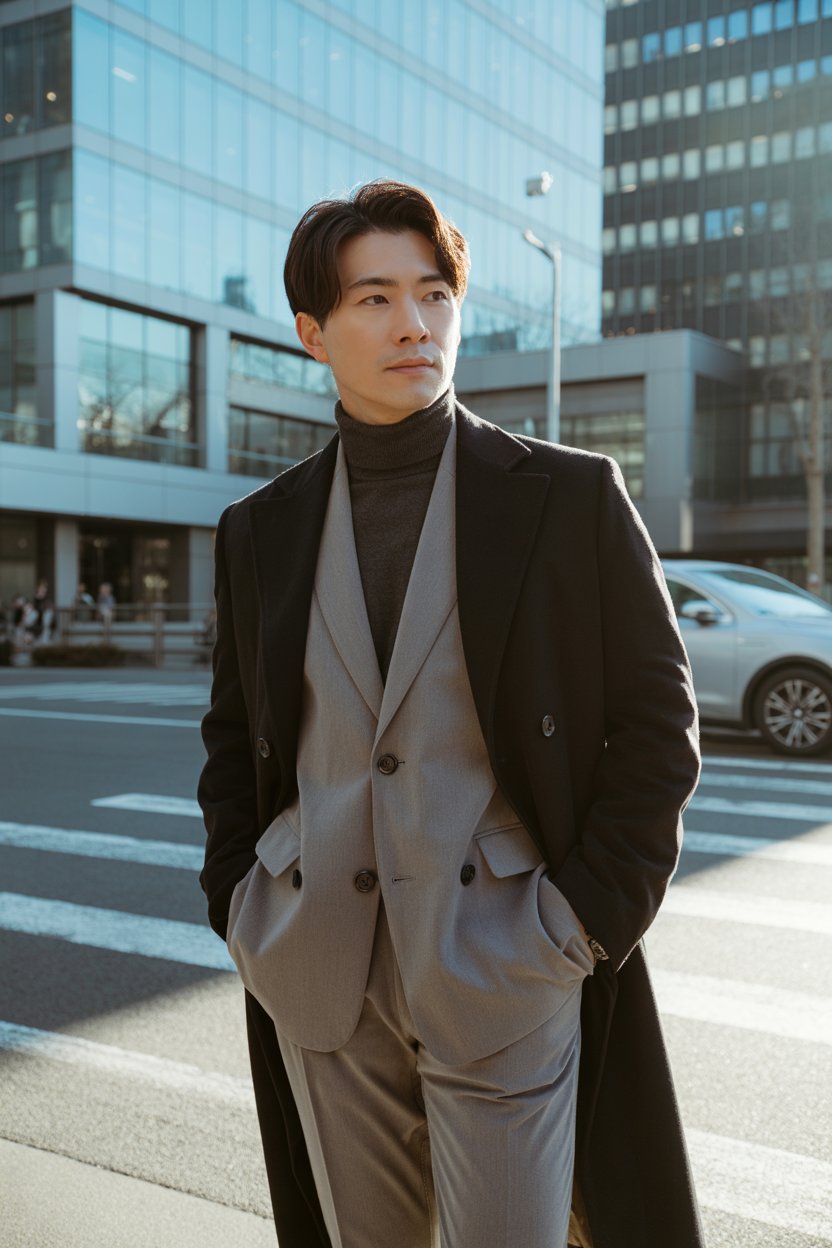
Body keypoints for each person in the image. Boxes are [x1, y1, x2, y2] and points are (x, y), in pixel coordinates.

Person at [198, 181, 703, 1248]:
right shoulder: (258, 529)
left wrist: (580, 925)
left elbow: (657, 728)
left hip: (505, 959)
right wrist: (241, 908)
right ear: (312, 334)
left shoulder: (567, 497)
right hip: (316, 964)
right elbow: (232, 739)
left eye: (433, 294)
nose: (415, 324)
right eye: (374, 299)